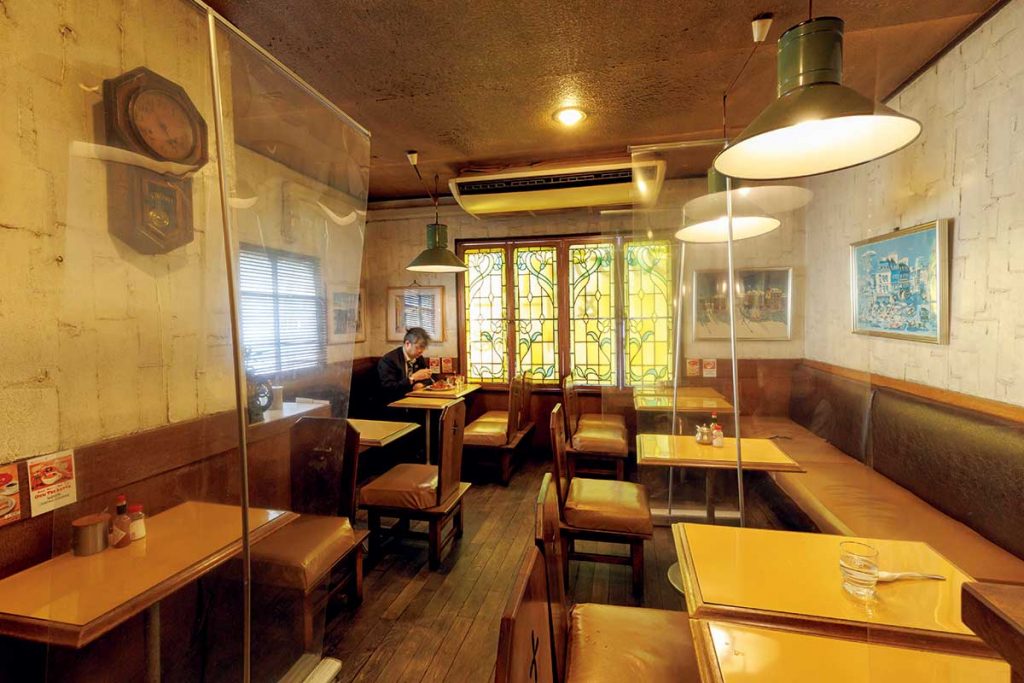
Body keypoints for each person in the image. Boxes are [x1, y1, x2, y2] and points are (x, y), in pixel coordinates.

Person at [378, 327, 434, 405]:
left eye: (423, 348)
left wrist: (421, 384)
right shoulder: (389, 360)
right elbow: (389, 388)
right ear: (407, 344)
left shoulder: (418, 358)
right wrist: (412, 378)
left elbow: (429, 379)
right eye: (418, 347)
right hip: (394, 404)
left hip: (414, 401)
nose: (421, 351)